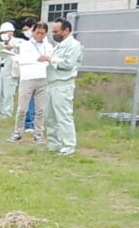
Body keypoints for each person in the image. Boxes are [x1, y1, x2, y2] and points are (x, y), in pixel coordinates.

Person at [40, 18, 84, 155]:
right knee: (50, 116)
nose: (54, 34)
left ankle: (68, 145)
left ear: (66, 30)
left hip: (63, 85)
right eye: (53, 31)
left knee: (63, 116)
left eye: (57, 31)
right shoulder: (58, 45)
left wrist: (51, 59)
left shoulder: (74, 45)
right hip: (51, 83)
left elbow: (68, 64)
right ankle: (54, 143)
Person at [8, 21, 50, 143]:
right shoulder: (26, 45)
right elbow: (23, 60)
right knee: (22, 108)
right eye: (37, 33)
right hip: (27, 78)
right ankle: (18, 132)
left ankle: (38, 133)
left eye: (42, 33)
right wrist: (38, 60)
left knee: (40, 109)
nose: (40, 35)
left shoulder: (48, 46)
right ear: (32, 32)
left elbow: (49, 60)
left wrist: (43, 60)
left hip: (42, 77)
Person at [0, 22, 20, 118]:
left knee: (8, 93)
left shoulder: (18, 42)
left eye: (5, 32)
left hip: (11, 71)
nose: (4, 34)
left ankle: (7, 113)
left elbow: (21, 52)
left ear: (11, 32)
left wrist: (12, 47)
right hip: (0, 71)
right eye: (2, 33)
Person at [19, 18, 37, 131]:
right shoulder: (25, 42)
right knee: (26, 99)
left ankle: (30, 123)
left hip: (36, 74)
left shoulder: (41, 42)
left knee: (33, 100)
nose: (25, 32)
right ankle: (27, 122)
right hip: (26, 73)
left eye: (27, 29)